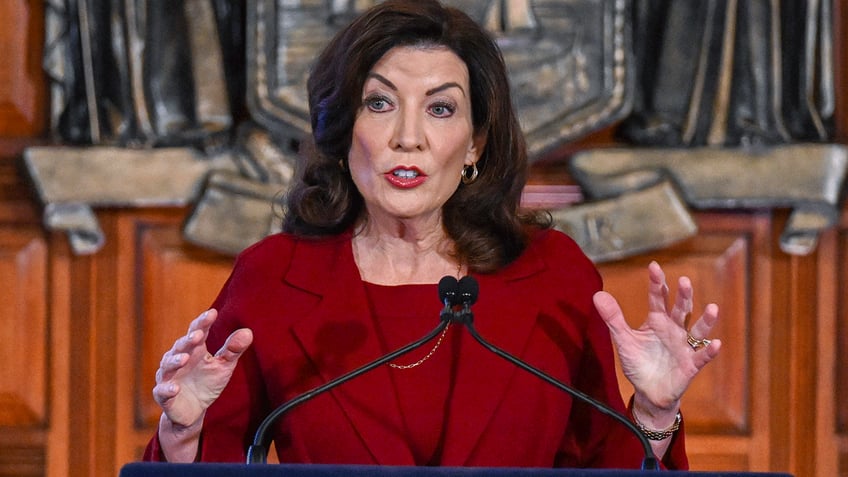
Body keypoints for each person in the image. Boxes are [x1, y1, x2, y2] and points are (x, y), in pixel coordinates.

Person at [144, 0, 721, 469]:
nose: (408, 137)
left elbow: (604, 468)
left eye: (441, 109)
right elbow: (212, 465)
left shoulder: (554, 278)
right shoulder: (274, 277)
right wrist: (181, 431)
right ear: (344, 133)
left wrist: (652, 410)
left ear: (474, 144)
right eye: (379, 103)